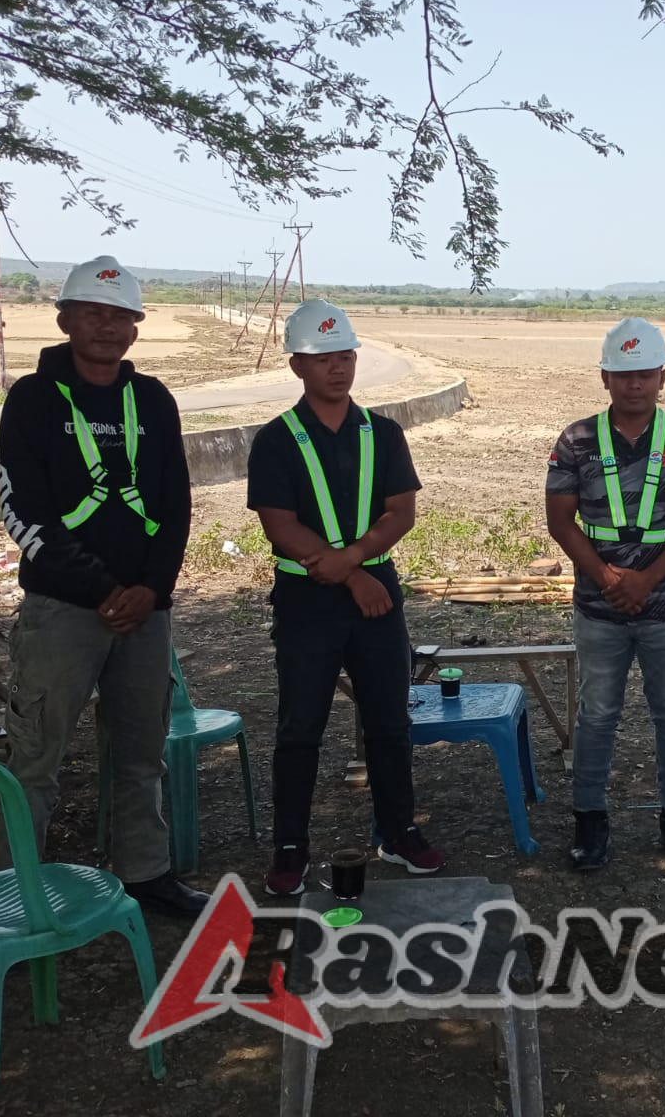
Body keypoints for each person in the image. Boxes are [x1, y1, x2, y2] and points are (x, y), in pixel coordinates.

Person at [0, 255, 205, 916]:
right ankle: (13, 890)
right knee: (35, 760)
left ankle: (145, 873)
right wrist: (102, 590)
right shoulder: (31, 400)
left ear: (136, 327)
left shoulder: (153, 401)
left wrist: (151, 589)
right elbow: (21, 508)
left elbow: (174, 504)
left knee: (142, 752)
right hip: (62, 610)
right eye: (93, 314)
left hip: (145, 611)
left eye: (121, 317)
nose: (108, 328)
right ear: (65, 320)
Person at [247, 299, 444, 896]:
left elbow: (400, 512)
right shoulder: (276, 440)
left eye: (345, 356)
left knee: (388, 720)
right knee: (299, 727)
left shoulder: (382, 433)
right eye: (323, 358)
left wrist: (356, 565)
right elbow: (280, 525)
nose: (338, 368)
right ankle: (290, 847)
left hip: (376, 597)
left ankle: (398, 830)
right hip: (308, 601)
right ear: (297, 366)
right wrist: (348, 573)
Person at [545, 317, 665, 873]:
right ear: (604, 377)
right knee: (597, 714)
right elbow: (560, 519)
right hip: (599, 608)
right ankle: (590, 822)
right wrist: (605, 576)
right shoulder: (575, 440)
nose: (635, 384)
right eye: (623, 374)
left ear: (662, 375)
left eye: (645, 373)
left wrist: (646, 579)